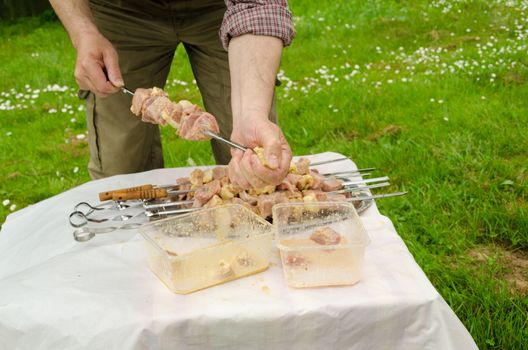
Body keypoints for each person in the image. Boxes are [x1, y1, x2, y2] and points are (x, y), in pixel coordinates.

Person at [49, 0, 295, 190]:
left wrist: (251, 113)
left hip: (218, 8)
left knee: (251, 156)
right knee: (121, 168)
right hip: (120, 10)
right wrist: (83, 33)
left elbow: (255, 5)